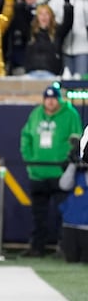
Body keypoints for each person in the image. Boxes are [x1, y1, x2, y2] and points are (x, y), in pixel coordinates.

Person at [20, 85, 83, 257]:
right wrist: (30, 160)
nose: (50, 101)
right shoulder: (36, 114)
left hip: (60, 174)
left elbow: (77, 140)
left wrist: (68, 163)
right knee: (38, 214)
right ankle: (37, 247)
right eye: (47, 98)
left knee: (65, 212)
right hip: (38, 172)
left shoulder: (70, 114)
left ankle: (64, 247)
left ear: (59, 99)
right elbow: (26, 136)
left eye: (53, 98)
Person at [58, 135, 88, 263]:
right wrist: (73, 164)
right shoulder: (76, 172)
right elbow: (64, 185)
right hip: (70, 224)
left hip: (86, 226)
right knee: (71, 260)